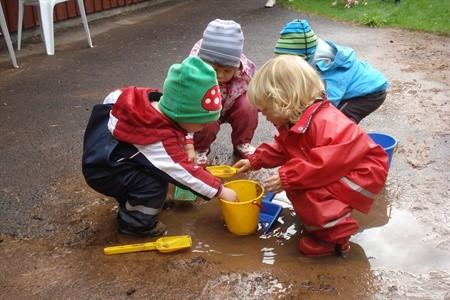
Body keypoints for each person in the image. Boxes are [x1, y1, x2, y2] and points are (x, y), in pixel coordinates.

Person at [233, 55, 388, 256]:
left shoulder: (326, 122)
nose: (264, 116)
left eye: (265, 110)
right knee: (298, 182)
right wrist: (256, 159)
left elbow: (325, 165)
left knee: (308, 189)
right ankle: (321, 222)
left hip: (359, 172)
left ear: (283, 101)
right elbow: (283, 146)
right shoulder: (296, 120)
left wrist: (288, 177)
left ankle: (335, 239)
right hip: (337, 167)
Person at [82, 56, 238, 237]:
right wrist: (221, 190)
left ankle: (137, 200)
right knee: (154, 183)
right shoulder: (156, 139)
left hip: (107, 152)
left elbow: (113, 97)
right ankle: (135, 224)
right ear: (183, 116)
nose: (204, 128)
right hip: (105, 170)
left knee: (154, 168)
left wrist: (188, 143)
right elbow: (185, 173)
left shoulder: (152, 101)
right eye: (202, 124)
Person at [274, 19, 388, 124]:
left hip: (370, 93)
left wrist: (305, 118)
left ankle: (347, 142)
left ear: (303, 57)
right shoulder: (312, 53)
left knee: (336, 122)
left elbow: (329, 102)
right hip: (356, 87)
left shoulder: (329, 68)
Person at [190, 19, 258, 166]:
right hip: (204, 109)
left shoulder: (244, 71)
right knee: (207, 119)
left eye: (227, 71)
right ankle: (199, 149)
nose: (220, 75)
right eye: (214, 70)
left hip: (230, 104)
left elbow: (257, 88)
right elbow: (182, 107)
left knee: (248, 105)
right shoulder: (192, 73)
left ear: (236, 66)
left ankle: (242, 143)